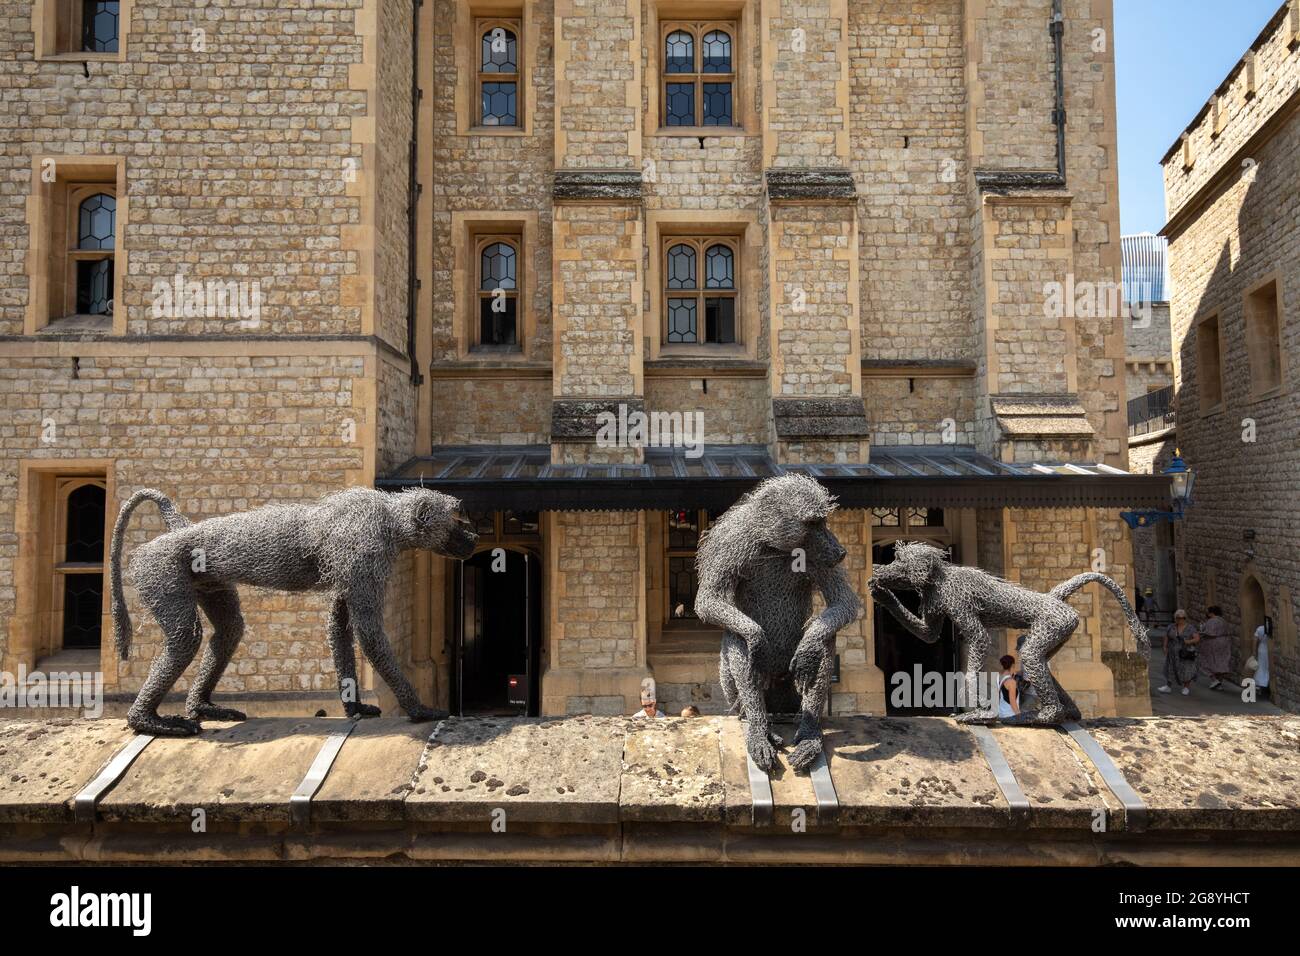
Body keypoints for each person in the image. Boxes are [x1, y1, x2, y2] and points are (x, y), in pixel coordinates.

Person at [1158, 609, 1199, 695]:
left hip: (1185, 652)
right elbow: (1166, 636)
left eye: (1181, 618)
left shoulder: (1190, 628)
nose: (1179, 620)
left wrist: (1188, 642)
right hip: (1172, 652)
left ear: (1185, 618)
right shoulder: (1171, 627)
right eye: (1177, 618)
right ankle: (1168, 686)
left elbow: (1197, 638)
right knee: (1170, 668)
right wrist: (1165, 646)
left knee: (1186, 669)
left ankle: (1186, 687)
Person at [1197, 605, 1234, 690]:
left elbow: (1210, 633)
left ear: (1211, 613)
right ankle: (1219, 684)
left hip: (1213, 644)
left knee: (1207, 661)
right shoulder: (1223, 621)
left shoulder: (1212, 621)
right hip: (1224, 644)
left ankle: (1214, 680)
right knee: (1220, 663)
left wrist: (1201, 632)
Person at [1251, 617, 1272, 700]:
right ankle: (1266, 684)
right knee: (1267, 667)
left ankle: (1259, 684)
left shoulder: (1260, 628)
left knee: (1261, 666)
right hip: (1269, 649)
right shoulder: (1271, 629)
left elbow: (1255, 640)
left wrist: (1253, 652)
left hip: (1261, 649)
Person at [997, 654, 1019, 718]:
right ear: (1012, 665)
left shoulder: (999, 677)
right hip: (1010, 715)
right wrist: (1019, 716)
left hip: (1002, 713)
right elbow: (1013, 703)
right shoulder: (1011, 682)